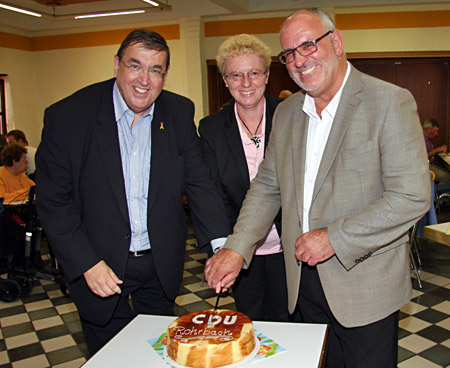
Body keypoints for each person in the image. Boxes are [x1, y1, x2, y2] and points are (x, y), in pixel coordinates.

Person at [205, 8, 430, 368]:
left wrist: (334, 238)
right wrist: (236, 247)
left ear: (336, 42)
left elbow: (411, 196)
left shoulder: (388, 101)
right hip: (302, 284)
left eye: (307, 45)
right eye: (289, 53)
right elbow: (267, 187)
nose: (298, 60)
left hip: (363, 285)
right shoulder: (289, 112)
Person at [35, 29, 231, 355]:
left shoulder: (178, 113)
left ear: (165, 75)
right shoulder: (68, 117)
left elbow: (200, 183)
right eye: (135, 65)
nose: (144, 79)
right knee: (113, 359)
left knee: (158, 356)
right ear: (117, 65)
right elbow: (53, 201)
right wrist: (86, 263)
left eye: (155, 70)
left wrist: (221, 248)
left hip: (159, 267)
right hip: (100, 268)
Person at [198, 34, 289, 322]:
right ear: (225, 80)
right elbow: (212, 194)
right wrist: (223, 249)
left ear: (266, 75)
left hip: (291, 247)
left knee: (294, 325)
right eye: (236, 75)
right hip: (241, 251)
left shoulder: (291, 115)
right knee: (252, 324)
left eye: (253, 73)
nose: (246, 83)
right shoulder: (211, 128)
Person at [0, 143, 34, 266]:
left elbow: (34, 189)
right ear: (14, 161)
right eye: (24, 161)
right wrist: (25, 192)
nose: (27, 164)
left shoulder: (22, 176)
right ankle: (19, 264)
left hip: (22, 212)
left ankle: (32, 260)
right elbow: (2, 197)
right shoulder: (1, 175)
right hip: (7, 217)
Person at [423, 118, 450, 184]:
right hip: (425, 167)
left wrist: (439, 150)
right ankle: (436, 193)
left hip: (430, 165)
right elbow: (424, 157)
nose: (436, 134)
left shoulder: (428, 140)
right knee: (447, 177)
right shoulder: (421, 139)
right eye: (435, 131)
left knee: (447, 172)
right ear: (428, 129)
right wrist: (438, 149)